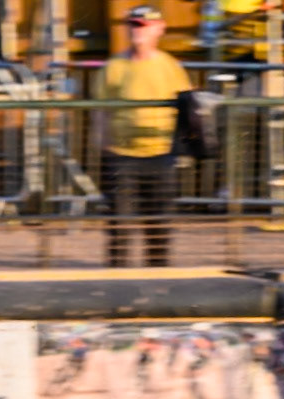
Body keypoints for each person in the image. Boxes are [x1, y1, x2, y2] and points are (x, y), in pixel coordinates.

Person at [95, 5, 190, 268]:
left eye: (143, 25)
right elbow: (101, 113)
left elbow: (186, 110)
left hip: (161, 155)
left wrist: (180, 150)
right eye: (133, 25)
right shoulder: (114, 67)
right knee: (119, 227)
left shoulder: (170, 66)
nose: (137, 31)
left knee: (159, 227)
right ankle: (117, 280)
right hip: (122, 156)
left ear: (159, 29)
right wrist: (105, 150)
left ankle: (158, 279)